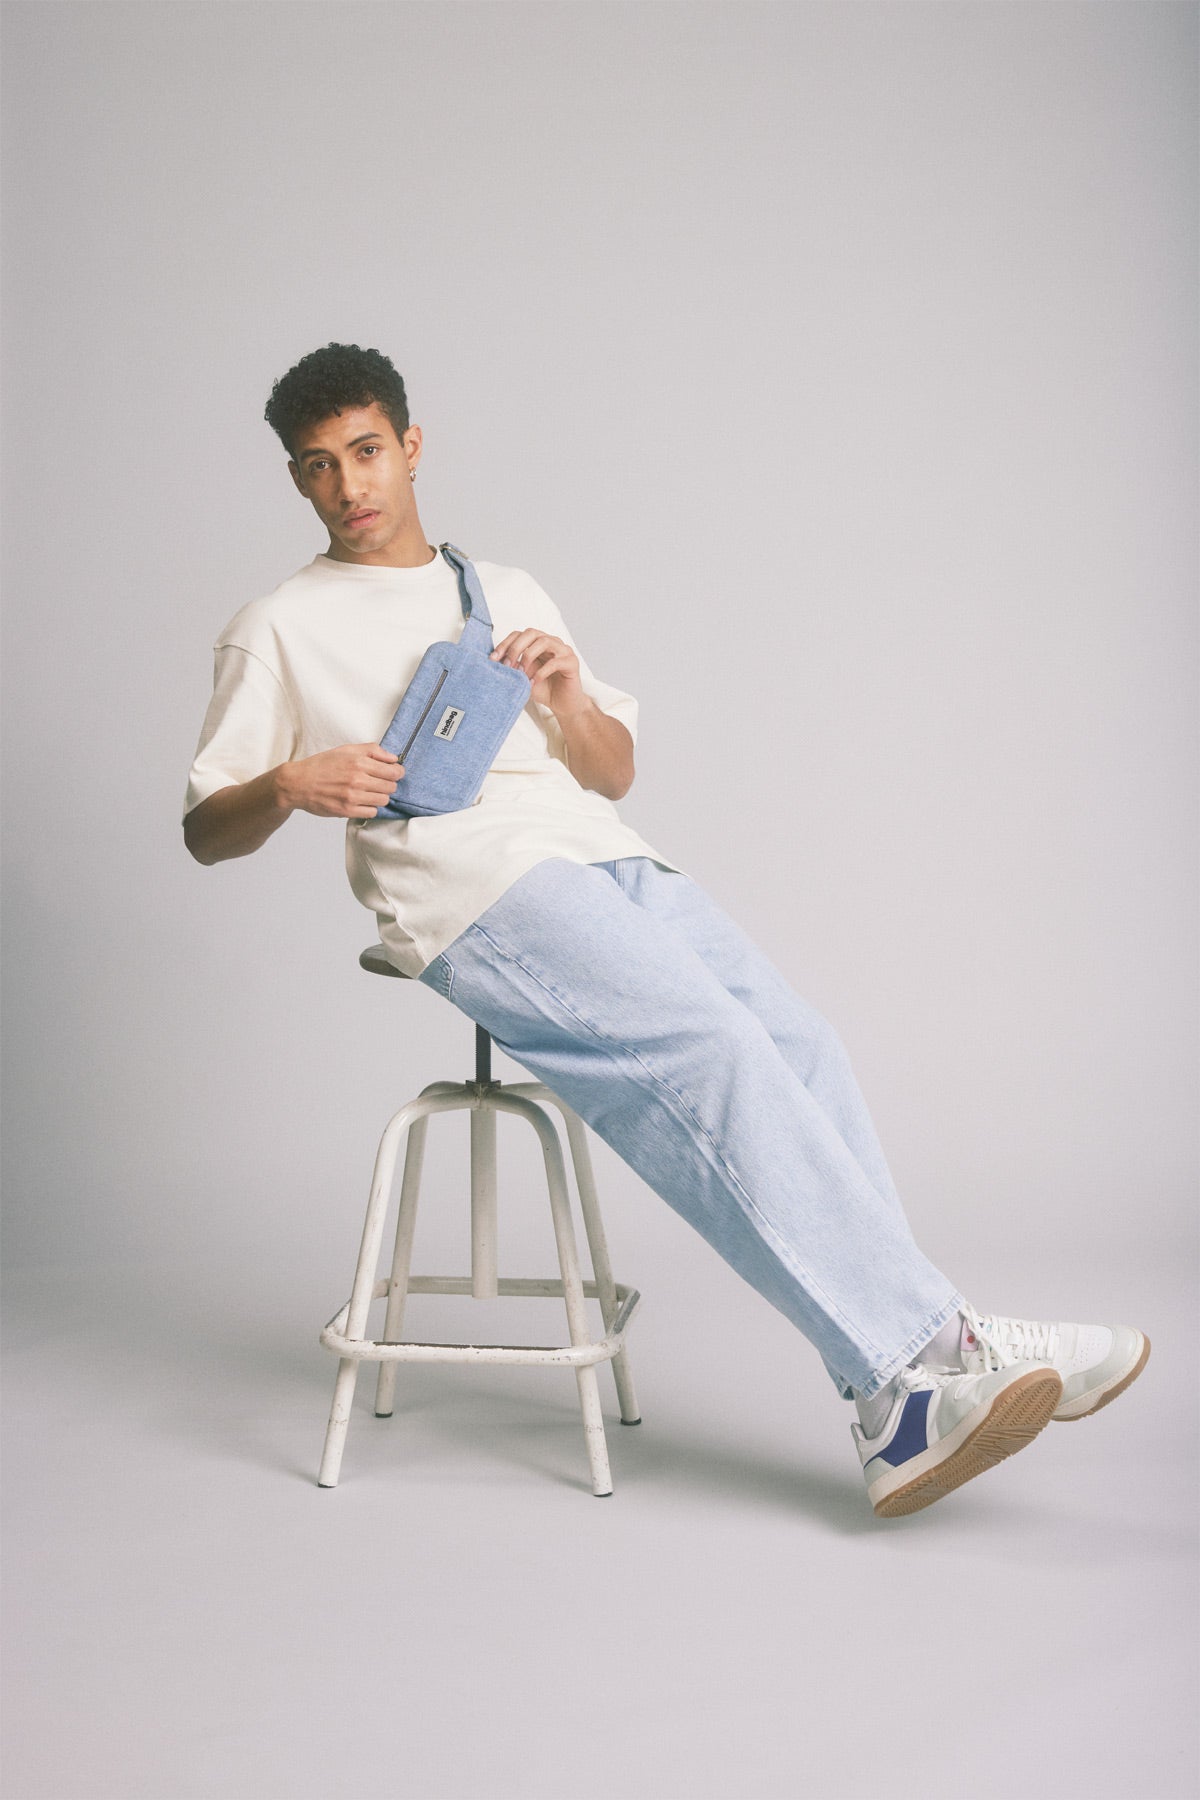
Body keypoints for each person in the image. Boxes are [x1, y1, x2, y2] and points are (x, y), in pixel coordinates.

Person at [182, 341, 1149, 1518]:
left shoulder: (507, 588)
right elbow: (205, 830)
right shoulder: (278, 624)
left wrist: (567, 698)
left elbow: (612, 774)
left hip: (602, 857)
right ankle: (927, 1358)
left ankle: (905, 1387)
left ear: (412, 445)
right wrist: (290, 783)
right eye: (319, 466)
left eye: (367, 451)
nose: (350, 485)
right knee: (717, 1056)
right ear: (297, 479)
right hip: (470, 888)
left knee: (801, 1046)